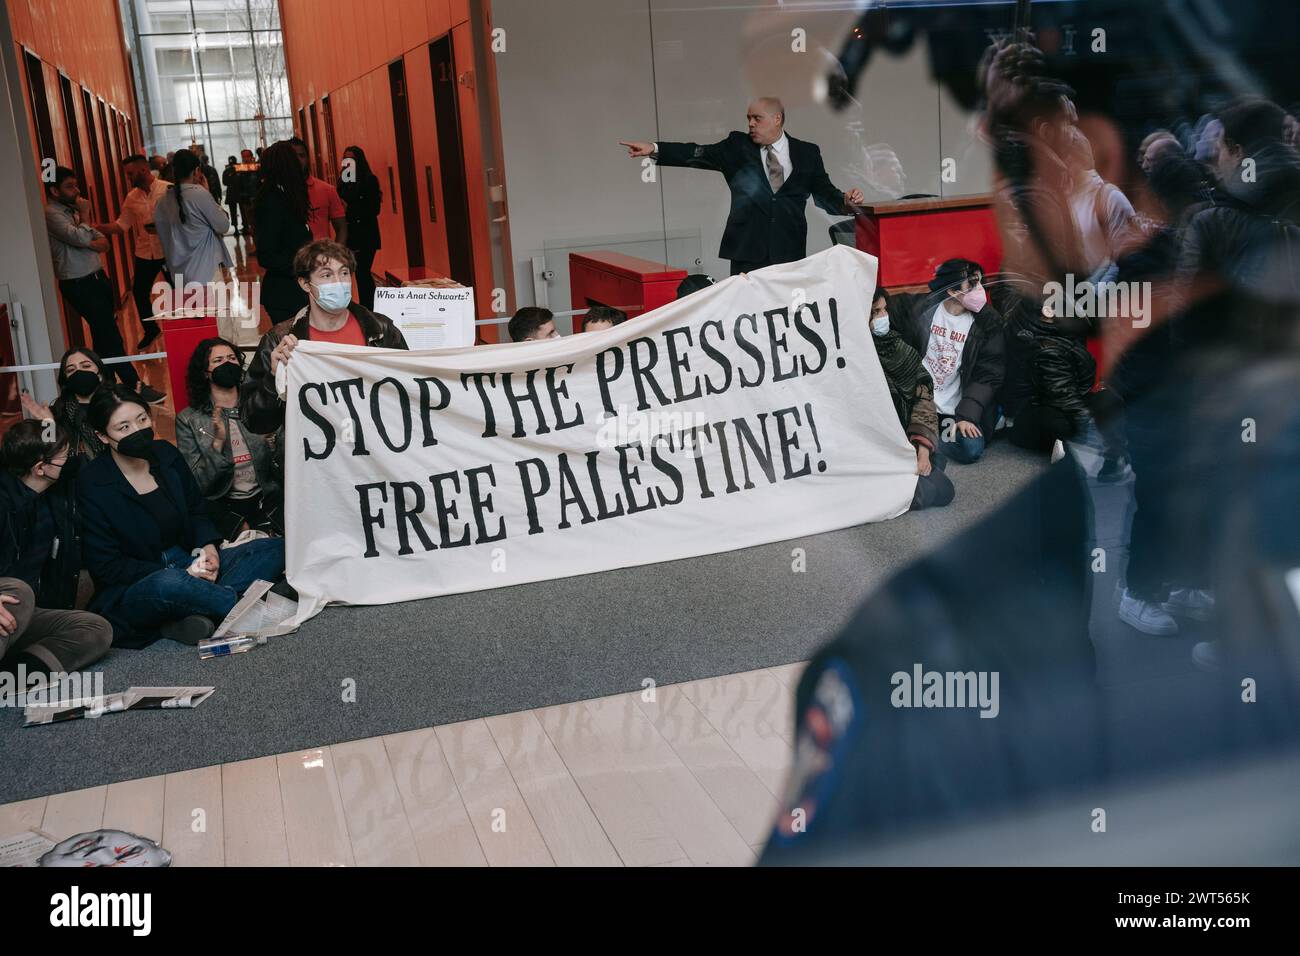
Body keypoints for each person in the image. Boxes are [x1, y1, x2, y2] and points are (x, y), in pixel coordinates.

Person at [77, 385, 285, 647]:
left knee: (274, 547)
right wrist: (184, 573)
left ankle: (192, 613)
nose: (137, 430)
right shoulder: (93, 481)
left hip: (191, 558)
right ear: (103, 436)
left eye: (142, 419)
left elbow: (197, 510)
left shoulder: (165, 454)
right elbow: (106, 566)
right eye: (124, 427)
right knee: (171, 583)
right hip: (143, 581)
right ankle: (247, 609)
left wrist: (208, 549)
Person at [620, 97, 865, 274]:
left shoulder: (807, 153)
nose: (750, 124)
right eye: (748, 118)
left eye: (757, 118)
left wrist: (845, 200)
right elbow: (697, 152)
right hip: (747, 253)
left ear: (777, 119)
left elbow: (824, 192)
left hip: (789, 252)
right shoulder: (737, 146)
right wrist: (654, 149)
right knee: (749, 318)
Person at [241, 239, 408, 435]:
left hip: (378, 448)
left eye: (344, 273)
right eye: (326, 275)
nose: (338, 282)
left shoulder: (381, 330)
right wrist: (272, 380)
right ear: (305, 284)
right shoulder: (280, 341)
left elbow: (409, 392)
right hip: (319, 454)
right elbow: (255, 423)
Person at [0, 421, 112, 677]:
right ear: (40, 468)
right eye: (64, 456)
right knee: (18, 592)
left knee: (95, 629)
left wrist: (49, 425)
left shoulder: (55, 494)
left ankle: (11, 676)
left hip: (25, 612)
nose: (69, 459)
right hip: (8, 601)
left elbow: (76, 466)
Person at [43, 166, 162, 403]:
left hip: (97, 277)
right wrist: (86, 224)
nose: (77, 191)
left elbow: (102, 243)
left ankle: (102, 389)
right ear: (54, 190)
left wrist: (88, 236)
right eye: (70, 186)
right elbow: (83, 238)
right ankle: (134, 385)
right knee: (111, 336)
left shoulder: (72, 212)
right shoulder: (52, 214)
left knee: (102, 336)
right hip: (79, 284)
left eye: (76, 185)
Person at [895, 259, 1006, 464]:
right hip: (920, 405)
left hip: (954, 412)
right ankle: (920, 438)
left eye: (981, 282)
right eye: (972, 284)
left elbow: (988, 374)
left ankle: (921, 442)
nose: (980, 290)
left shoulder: (988, 324)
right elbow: (883, 308)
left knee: (970, 448)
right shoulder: (922, 309)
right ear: (952, 292)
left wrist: (967, 416)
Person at [175, 337, 281, 540]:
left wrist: (275, 445)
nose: (227, 363)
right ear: (205, 373)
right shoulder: (188, 419)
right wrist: (217, 443)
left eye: (232, 358)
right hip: (222, 507)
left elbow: (284, 465)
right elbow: (197, 485)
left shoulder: (260, 406)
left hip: (267, 499)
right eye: (218, 360)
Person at [871, 290, 953, 510]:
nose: (883, 316)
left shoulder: (899, 348)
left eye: (884, 309)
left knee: (944, 492)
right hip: (877, 449)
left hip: (907, 440)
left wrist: (922, 448)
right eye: (875, 312)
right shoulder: (855, 358)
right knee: (927, 493)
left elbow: (923, 397)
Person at [90, 154, 171, 350]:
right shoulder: (132, 197)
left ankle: (186, 325)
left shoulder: (167, 189)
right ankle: (151, 329)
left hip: (170, 251)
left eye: (130, 173)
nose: (128, 178)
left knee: (180, 289)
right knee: (139, 291)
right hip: (145, 252)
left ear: (143, 170)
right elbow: (121, 225)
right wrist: (96, 227)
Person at [1003, 297, 1096, 461]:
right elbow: (1063, 395)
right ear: (1048, 312)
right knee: (1091, 414)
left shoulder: (1025, 320)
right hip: (1035, 411)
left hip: (1033, 406)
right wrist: (1090, 426)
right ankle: (1073, 448)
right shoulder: (1046, 347)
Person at [254, 141, 312, 325]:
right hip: (285, 295)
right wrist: (303, 266)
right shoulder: (272, 200)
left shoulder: (289, 195)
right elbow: (267, 255)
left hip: (297, 291)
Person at [20, 348, 112, 463]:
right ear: (66, 379)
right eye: (71, 370)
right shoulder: (55, 413)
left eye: (86, 366)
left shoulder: (117, 405)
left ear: (100, 374)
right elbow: (46, 455)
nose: (78, 372)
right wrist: (48, 424)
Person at [337, 145, 382, 309]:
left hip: (366, 234)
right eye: (345, 158)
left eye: (352, 159)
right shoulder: (344, 180)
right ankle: (352, 307)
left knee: (362, 272)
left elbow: (374, 209)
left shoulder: (369, 180)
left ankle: (369, 307)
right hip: (349, 234)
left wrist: (350, 207)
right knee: (348, 272)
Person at [288, 136, 347, 243]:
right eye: (293, 156)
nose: (298, 160)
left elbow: (341, 228)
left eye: (302, 155)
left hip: (320, 254)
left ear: (308, 158)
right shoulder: (278, 192)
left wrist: (335, 254)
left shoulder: (327, 190)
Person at [237, 149, 259, 241]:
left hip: (257, 199)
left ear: (252, 157)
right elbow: (239, 185)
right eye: (244, 157)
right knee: (251, 224)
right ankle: (256, 245)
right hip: (246, 200)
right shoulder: (240, 169)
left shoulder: (257, 168)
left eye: (247, 156)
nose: (245, 159)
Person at [222, 155, 243, 236]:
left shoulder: (227, 170)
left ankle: (236, 228)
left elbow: (224, 182)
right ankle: (244, 226)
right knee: (241, 211)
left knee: (233, 211)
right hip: (239, 192)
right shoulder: (240, 169)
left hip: (232, 192)